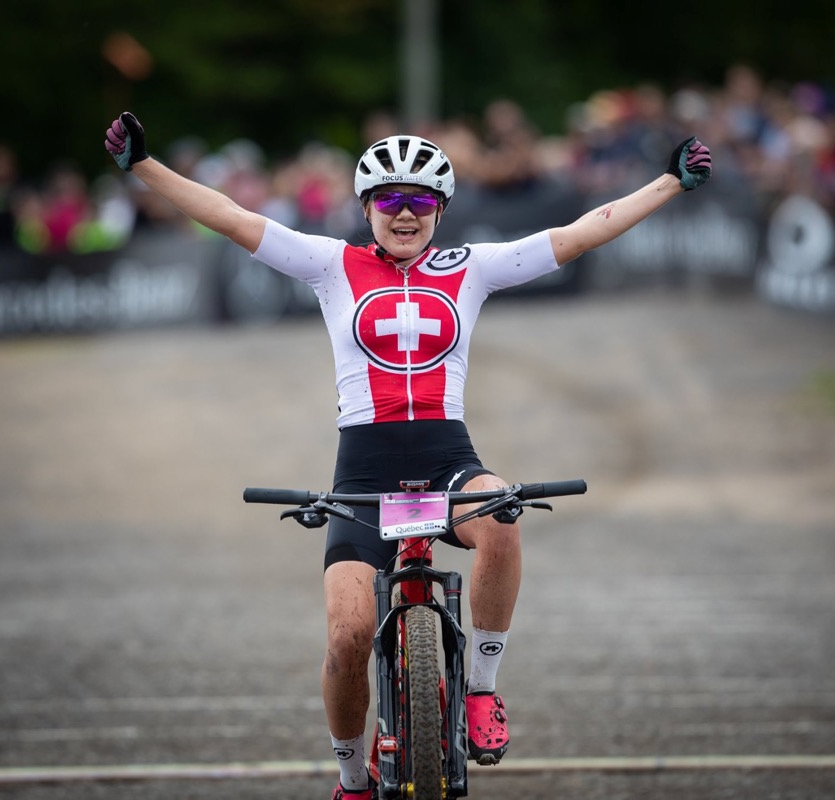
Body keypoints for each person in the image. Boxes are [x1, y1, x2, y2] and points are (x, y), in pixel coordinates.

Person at [104, 111, 711, 800]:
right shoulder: (332, 264)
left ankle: (480, 691)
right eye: (389, 200)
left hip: (448, 457)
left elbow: (577, 234)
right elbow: (231, 216)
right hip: (363, 470)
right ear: (366, 207)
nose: (404, 213)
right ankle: (349, 778)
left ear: (441, 211)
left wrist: (668, 182)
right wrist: (145, 168)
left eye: (420, 201)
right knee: (347, 636)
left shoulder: (471, 268)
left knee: (503, 518)